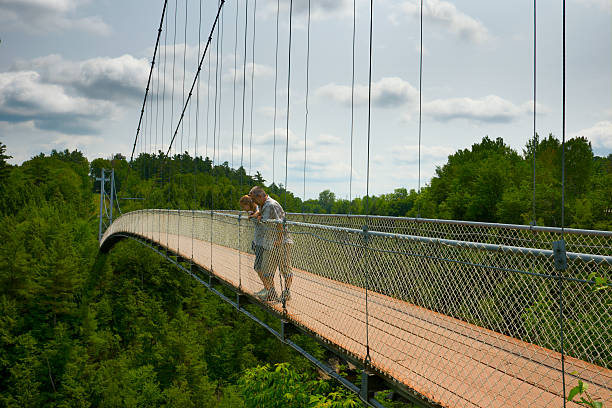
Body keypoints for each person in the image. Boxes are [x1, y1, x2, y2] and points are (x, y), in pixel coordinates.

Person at [248, 186, 293, 302]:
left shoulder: (272, 205)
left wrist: (279, 239)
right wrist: (256, 215)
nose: (252, 202)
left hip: (281, 242)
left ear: (260, 196)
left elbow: (280, 223)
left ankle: (287, 292)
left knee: (285, 268)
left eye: (253, 199)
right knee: (265, 269)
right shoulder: (262, 205)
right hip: (269, 242)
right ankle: (271, 292)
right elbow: (261, 215)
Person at [239, 195, 264, 276]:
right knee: (258, 267)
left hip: (262, 242)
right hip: (257, 240)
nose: (243, 208)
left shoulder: (257, 208)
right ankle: (268, 287)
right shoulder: (252, 210)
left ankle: (268, 287)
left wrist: (252, 216)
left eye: (243, 206)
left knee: (258, 267)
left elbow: (258, 212)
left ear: (248, 204)